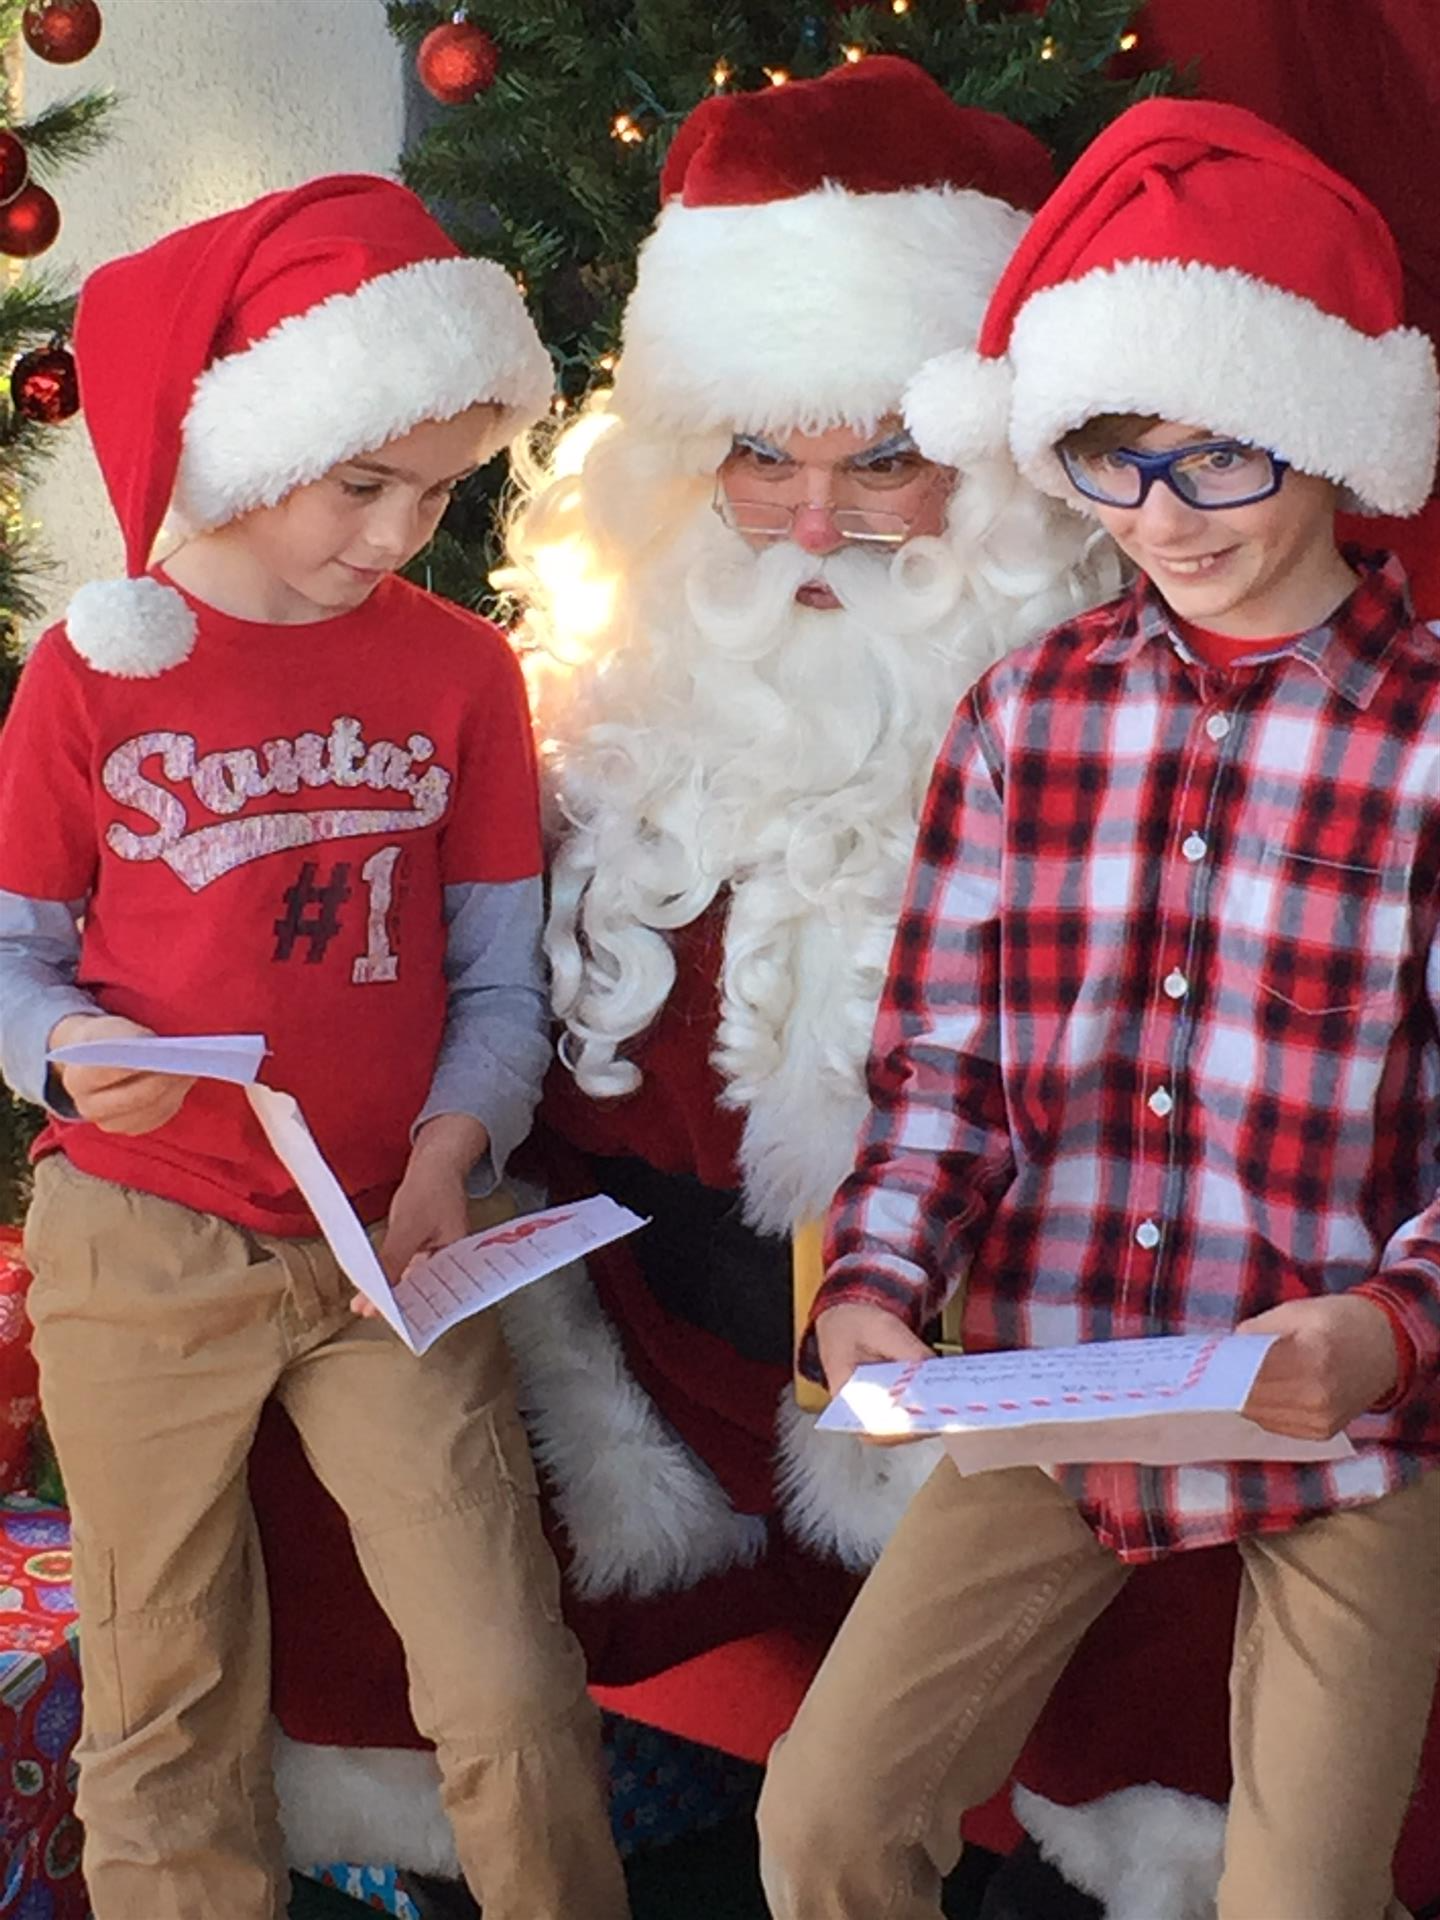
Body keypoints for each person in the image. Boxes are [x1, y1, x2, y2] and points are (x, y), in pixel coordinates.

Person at [241, 56, 1120, 1883]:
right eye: (761, 456)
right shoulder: (579, 724)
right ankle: (399, 1815)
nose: (814, 522)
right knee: (336, 1441)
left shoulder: (1113, 748)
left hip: (976, 1395)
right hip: (640, 1379)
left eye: (883, 456)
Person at [758, 97, 1440, 1920]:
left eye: (1222, 461)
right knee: (823, 1817)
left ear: (1325, 436)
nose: (1167, 517)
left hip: (1338, 1411)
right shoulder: (1023, 715)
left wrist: (1382, 1334)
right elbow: (946, 1067)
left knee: (1302, 1897)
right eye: (1116, 464)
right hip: (1057, 1375)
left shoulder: (1432, 734)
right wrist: (877, 1297)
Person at [0, 177, 629, 1920]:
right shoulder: (95, 671)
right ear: (253, 433)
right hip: (140, 1235)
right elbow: (10, 958)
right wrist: (58, 1049)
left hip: (385, 1244)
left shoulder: (460, 674)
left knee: (507, 1676)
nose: (400, 532)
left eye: (439, 490)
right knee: (164, 1691)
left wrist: (452, 1156)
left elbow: (501, 990)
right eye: (365, 484)